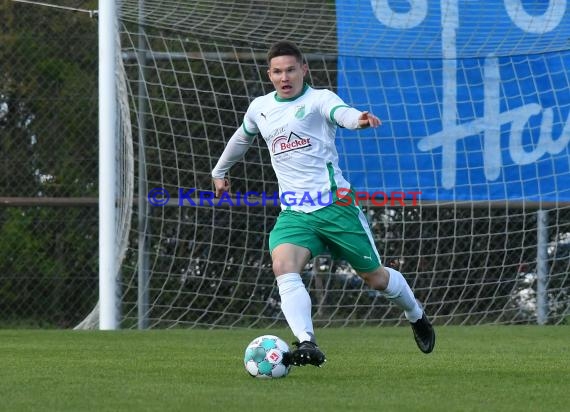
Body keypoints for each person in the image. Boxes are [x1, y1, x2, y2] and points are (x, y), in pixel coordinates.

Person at [212, 40, 435, 367]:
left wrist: (358, 119)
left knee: (377, 279)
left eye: (290, 69)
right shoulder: (260, 107)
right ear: (269, 74)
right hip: (295, 214)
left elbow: (340, 113)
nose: (284, 77)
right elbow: (242, 138)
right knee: (283, 266)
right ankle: (306, 341)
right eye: (277, 71)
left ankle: (416, 314)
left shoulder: (319, 99)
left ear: (304, 69)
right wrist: (219, 170)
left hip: (336, 208)